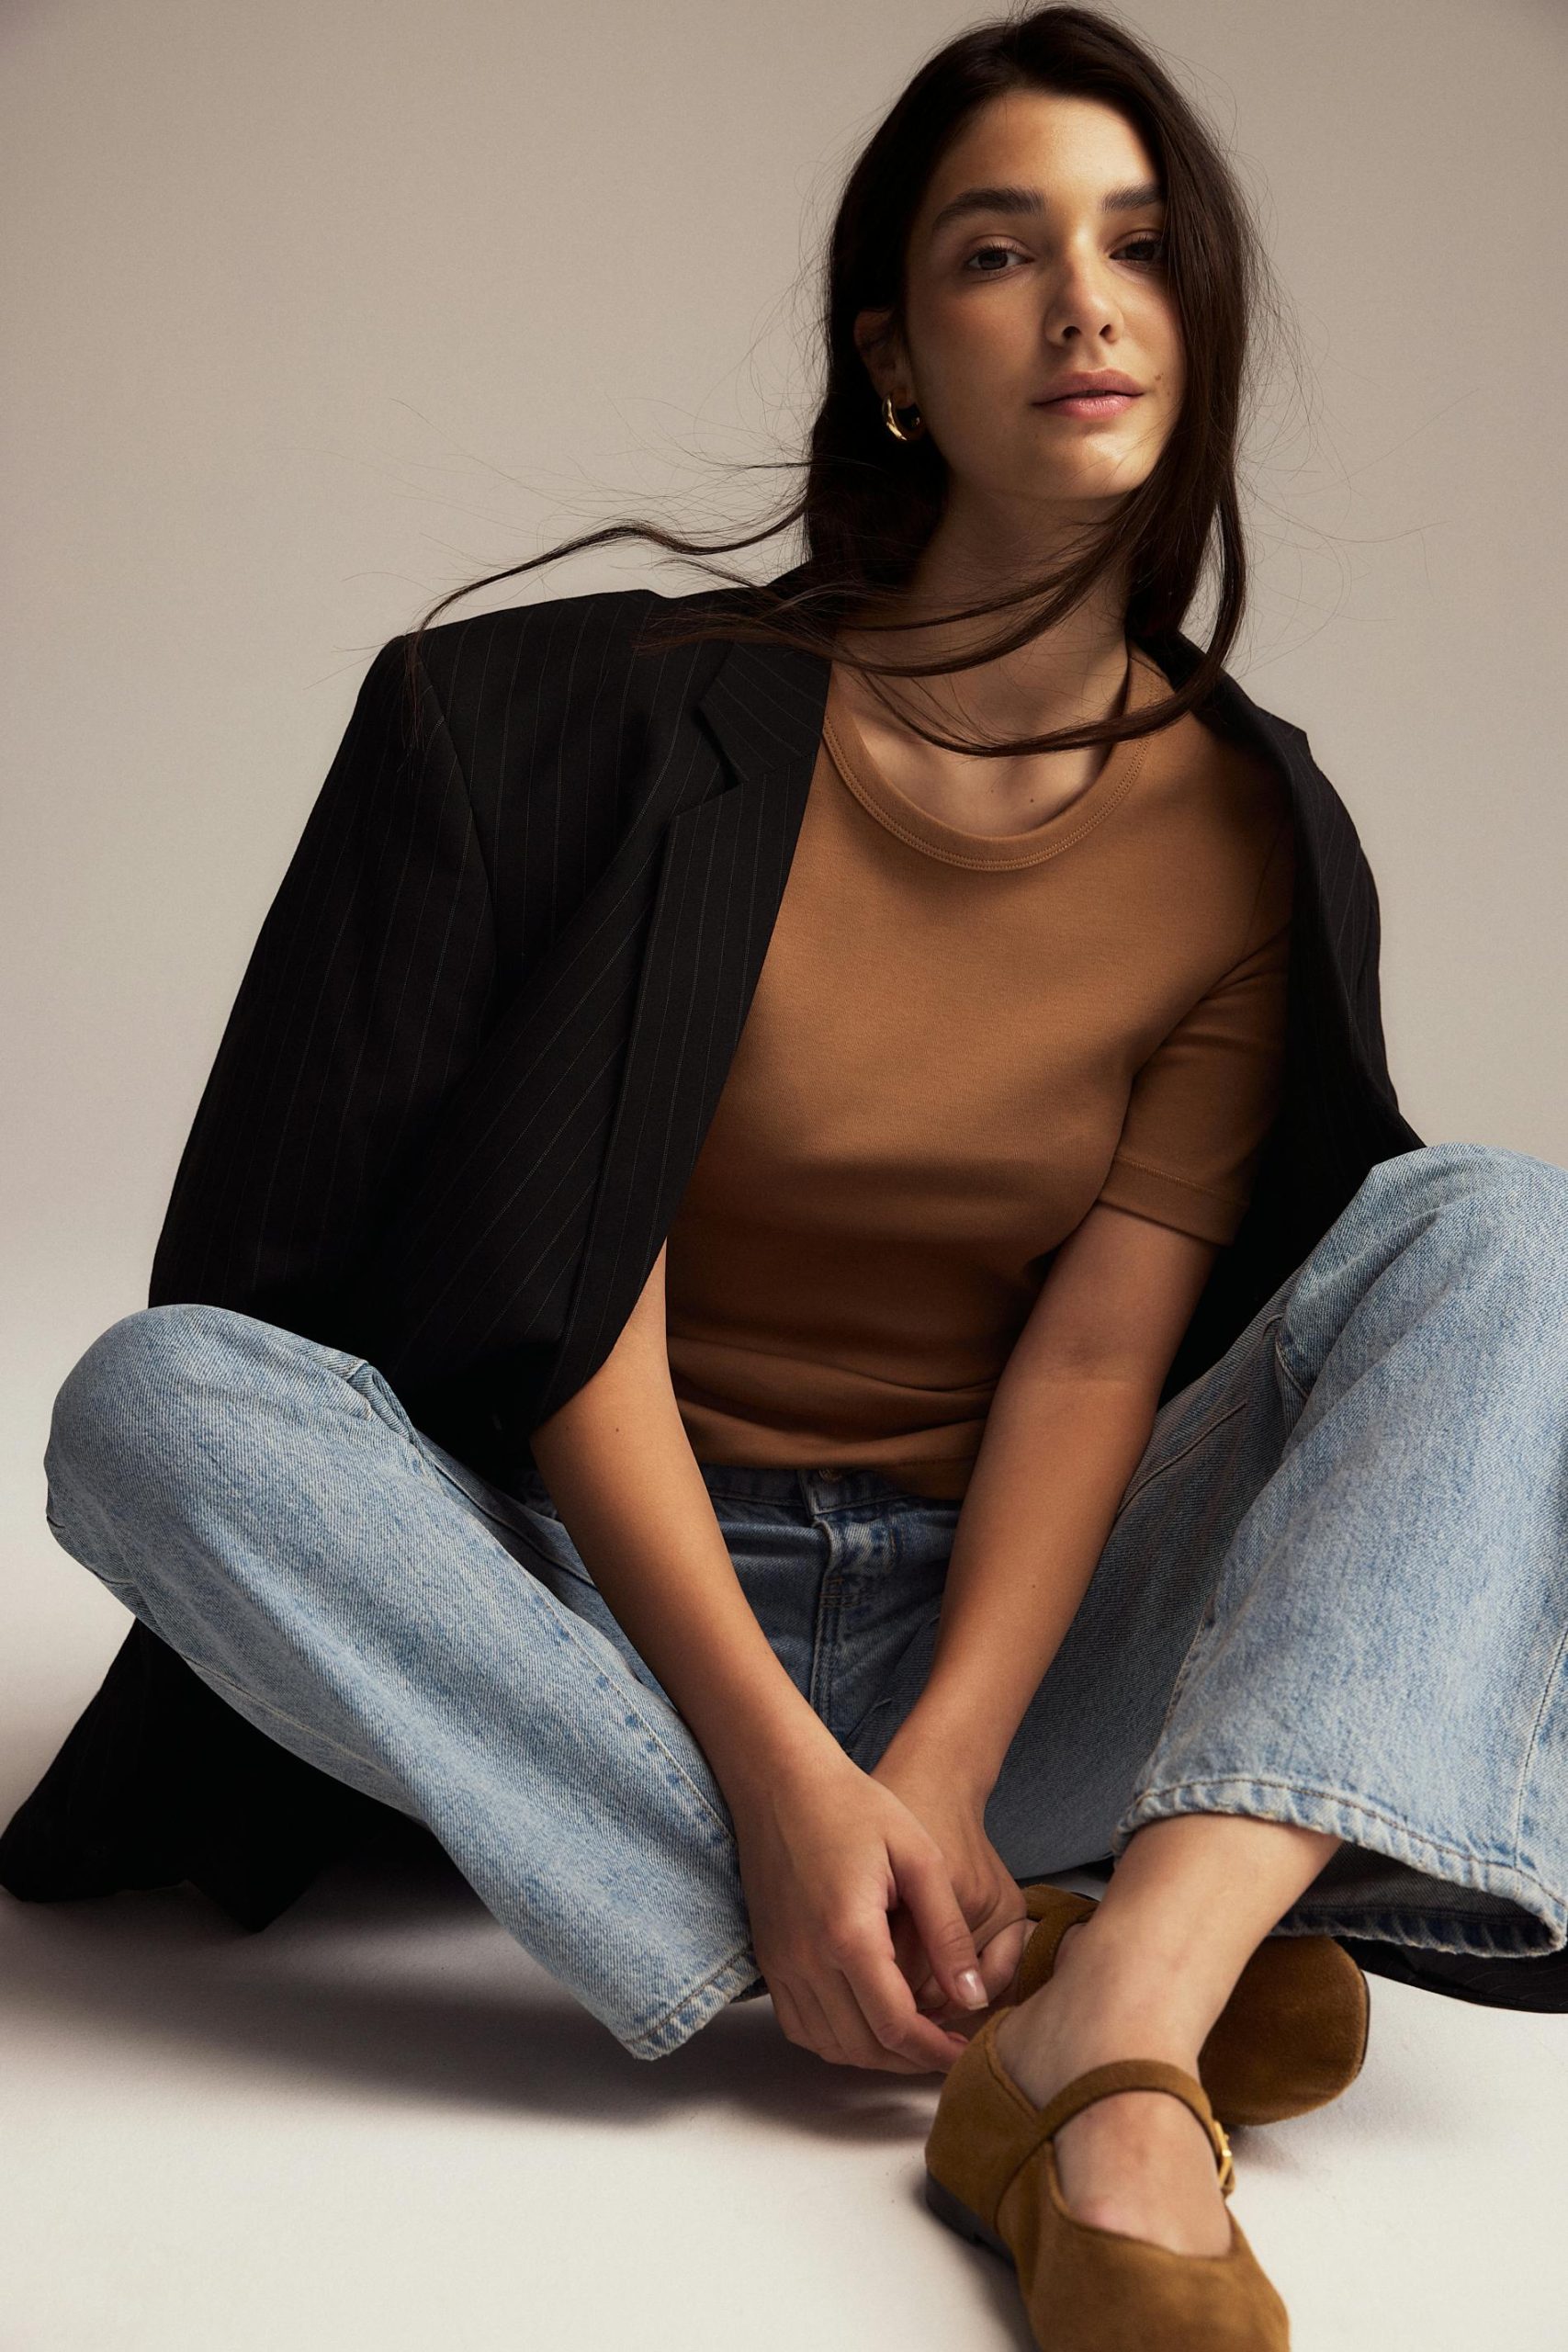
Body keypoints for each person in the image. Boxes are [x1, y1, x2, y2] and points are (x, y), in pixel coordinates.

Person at [20, 9, 1568, 2347]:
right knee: (153, 1402)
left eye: (1137, 246)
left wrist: (937, 1753)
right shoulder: (594, 725)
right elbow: (570, 1294)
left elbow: (1096, 1351)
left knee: (1500, 1233)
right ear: (893, 361)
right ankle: (928, 1928)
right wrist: (772, 1770)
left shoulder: (1247, 828)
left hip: (1005, 1643)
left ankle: (1118, 1999)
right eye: (998, 251)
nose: (1083, 304)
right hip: (585, 1623)